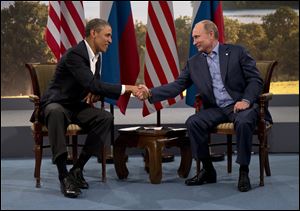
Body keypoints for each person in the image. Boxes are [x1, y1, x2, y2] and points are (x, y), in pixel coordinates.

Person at [136, 20, 270, 192]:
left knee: (243, 122)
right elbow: (177, 86)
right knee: (194, 122)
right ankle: (208, 169)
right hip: (216, 109)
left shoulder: (237, 52)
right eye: (193, 38)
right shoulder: (194, 63)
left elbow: (255, 80)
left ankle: (243, 170)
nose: (194, 42)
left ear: (211, 34)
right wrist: (150, 93)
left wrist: (246, 100)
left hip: (239, 105)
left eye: (197, 37)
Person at [35, 18, 139, 198]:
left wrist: (96, 93)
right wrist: (127, 88)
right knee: (55, 112)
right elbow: (91, 83)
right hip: (56, 103)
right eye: (107, 35)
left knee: (105, 118)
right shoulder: (75, 55)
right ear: (93, 33)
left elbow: (93, 86)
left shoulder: (96, 57)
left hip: (76, 105)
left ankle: (77, 170)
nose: (110, 40)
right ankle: (63, 176)